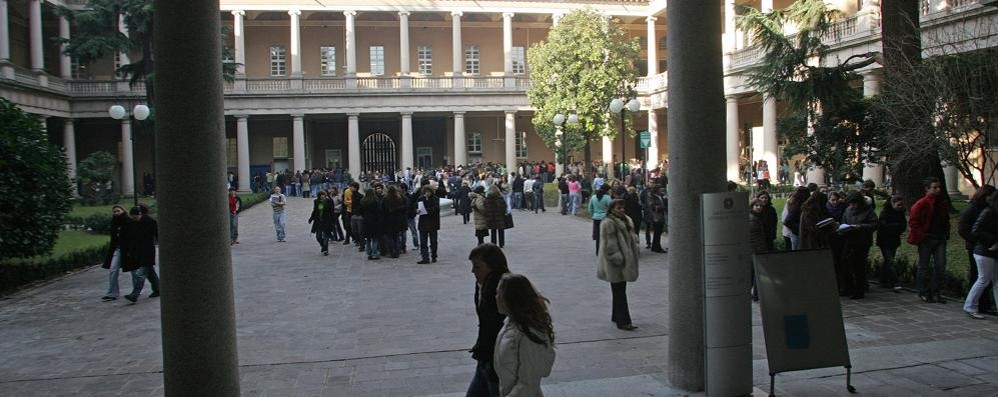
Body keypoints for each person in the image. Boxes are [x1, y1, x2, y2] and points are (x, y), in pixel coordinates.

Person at [494, 273, 557, 396]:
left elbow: (528, 383)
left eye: (498, 293)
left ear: (510, 298)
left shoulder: (528, 335)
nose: (495, 297)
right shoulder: (510, 322)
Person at [466, 243, 512, 397]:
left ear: (492, 266)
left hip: (497, 361)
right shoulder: (482, 284)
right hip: (485, 355)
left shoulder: (504, 288)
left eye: (477, 267)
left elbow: (503, 325)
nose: (473, 271)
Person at [597, 199, 641, 330]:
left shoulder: (626, 220)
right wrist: (617, 258)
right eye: (618, 208)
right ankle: (624, 321)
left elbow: (633, 237)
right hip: (616, 264)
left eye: (623, 208)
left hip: (625, 260)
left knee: (619, 290)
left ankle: (616, 316)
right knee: (619, 292)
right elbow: (609, 246)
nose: (622, 210)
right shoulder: (608, 223)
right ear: (612, 209)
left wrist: (636, 247)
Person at [908, 177, 950, 304]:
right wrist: (922, 236)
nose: (937, 190)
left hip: (940, 238)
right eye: (934, 187)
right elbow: (913, 222)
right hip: (927, 239)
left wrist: (945, 233)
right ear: (927, 189)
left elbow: (945, 219)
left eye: (939, 187)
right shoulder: (922, 203)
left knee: (940, 266)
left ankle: (935, 291)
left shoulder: (941, 203)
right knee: (924, 266)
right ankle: (923, 291)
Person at [958, 185, 996, 313]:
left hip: (985, 247)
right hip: (977, 247)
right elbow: (964, 229)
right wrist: (978, 241)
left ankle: (984, 304)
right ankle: (974, 304)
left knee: (986, 278)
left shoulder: (988, 209)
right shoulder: (974, 209)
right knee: (980, 277)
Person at [839, 191, 878, 299]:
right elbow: (844, 221)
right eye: (850, 203)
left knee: (858, 266)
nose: (852, 205)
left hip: (862, 241)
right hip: (849, 239)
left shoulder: (868, 211)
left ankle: (859, 290)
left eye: (854, 203)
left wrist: (861, 226)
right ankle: (848, 287)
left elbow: (874, 224)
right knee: (844, 263)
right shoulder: (848, 210)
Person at [121, 205, 159, 303]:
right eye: (132, 217)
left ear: (140, 214)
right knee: (150, 273)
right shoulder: (133, 223)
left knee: (141, 273)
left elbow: (157, 235)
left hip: (148, 250)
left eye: (135, 217)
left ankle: (135, 294)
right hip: (139, 251)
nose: (134, 219)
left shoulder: (150, 222)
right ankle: (158, 289)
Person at [877, 195, 907, 292]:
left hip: (894, 240)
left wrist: (898, 228)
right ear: (892, 203)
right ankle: (895, 282)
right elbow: (883, 226)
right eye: (898, 205)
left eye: (901, 205)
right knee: (889, 261)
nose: (900, 207)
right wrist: (895, 226)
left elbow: (903, 225)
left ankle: (883, 279)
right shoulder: (885, 212)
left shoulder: (901, 213)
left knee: (888, 261)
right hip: (884, 240)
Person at [101, 205, 129, 301]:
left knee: (135, 271)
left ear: (123, 211)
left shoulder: (128, 221)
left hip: (128, 249)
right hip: (118, 249)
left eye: (118, 211)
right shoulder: (114, 223)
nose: (116, 213)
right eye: (114, 211)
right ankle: (112, 293)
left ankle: (137, 290)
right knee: (113, 270)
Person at [748, 198, 769, 301]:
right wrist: (762, 251)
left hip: (754, 250)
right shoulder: (753, 219)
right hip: (755, 251)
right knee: (756, 273)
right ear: (752, 206)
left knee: (753, 274)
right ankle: (756, 294)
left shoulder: (757, 217)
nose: (759, 207)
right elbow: (755, 238)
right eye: (756, 205)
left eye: (760, 206)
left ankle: (752, 293)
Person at [417, 185, 441, 264]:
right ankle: (425, 258)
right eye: (425, 192)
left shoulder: (435, 199)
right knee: (423, 242)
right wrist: (417, 211)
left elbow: (436, 209)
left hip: (433, 223)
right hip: (423, 223)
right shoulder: (421, 199)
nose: (427, 193)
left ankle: (434, 256)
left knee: (433, 241)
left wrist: (426, 210)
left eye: (428, 192)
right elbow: (416, 207)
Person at [307, 190, 334, 256]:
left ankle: (325, 250)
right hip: (318, 221)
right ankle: (323, 246)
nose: (322, 196)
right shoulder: (316, 202)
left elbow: (332, 211)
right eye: (321, 195)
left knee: (326, 236)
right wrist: (311, 218)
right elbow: (314, 211)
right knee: (318, 237)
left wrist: (333, 221)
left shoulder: (329, 201)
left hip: (327, 221)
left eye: (323, 195)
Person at [359, 187, 382, 260]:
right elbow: (378, 211)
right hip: (374, 221)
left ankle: (369, 252)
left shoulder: (363, 201)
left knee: (368, 239)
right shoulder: (375, 201)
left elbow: (361, 212)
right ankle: (374, 253)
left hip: (366, 221)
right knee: (375, 239)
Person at [588, 186, 612, 254]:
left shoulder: (593, 197)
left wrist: (593, 215)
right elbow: (611, 207)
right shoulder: (607, 198)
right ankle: (606, 250)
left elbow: (590, 208)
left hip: (596, 218)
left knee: (598, 235)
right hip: (605, 218)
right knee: (607, 235)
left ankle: (598, 250)